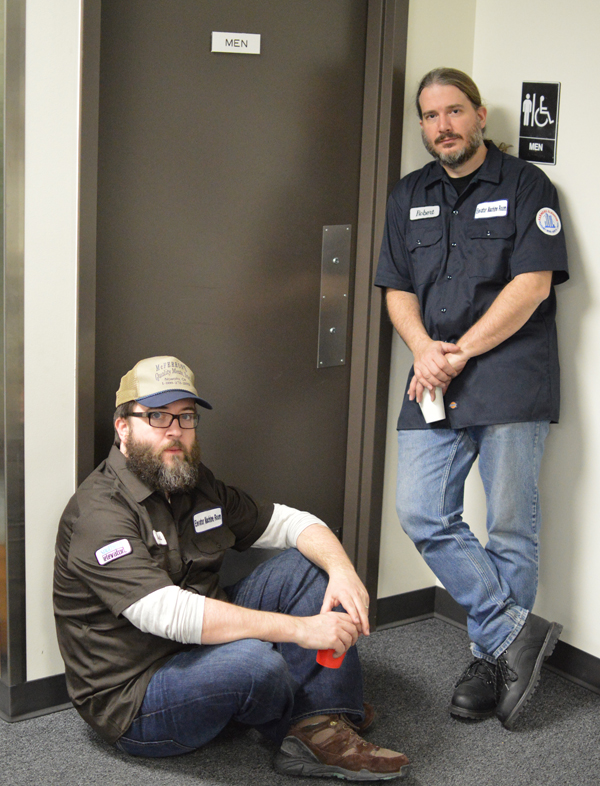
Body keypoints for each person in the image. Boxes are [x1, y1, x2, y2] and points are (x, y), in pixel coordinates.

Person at [53, 356, 410, 781]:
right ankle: (305, 707)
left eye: (185, 417)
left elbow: (291, 523)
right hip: (136, 695)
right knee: (256, 663)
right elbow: (167, 613)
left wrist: (343, 569)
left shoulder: (191, 480)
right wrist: (299, 631)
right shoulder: (99, 512)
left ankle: (322, 721)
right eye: (156, 416)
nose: (174, 431)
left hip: (200, 646)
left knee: (305, 565)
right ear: (123, 427)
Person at [374, 68, 568, 729]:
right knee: (421, 510)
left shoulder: (525, 187)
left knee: (511, 525)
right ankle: (515, 632)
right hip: (433, 379)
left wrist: (456, 353)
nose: (442, 127)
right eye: (429, 117)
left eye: (453, 112)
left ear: (480, 115)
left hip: (509, 377)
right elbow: (396, 287)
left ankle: (489, 661)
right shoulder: (408, 195)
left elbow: (532, 286)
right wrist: (425, 348)